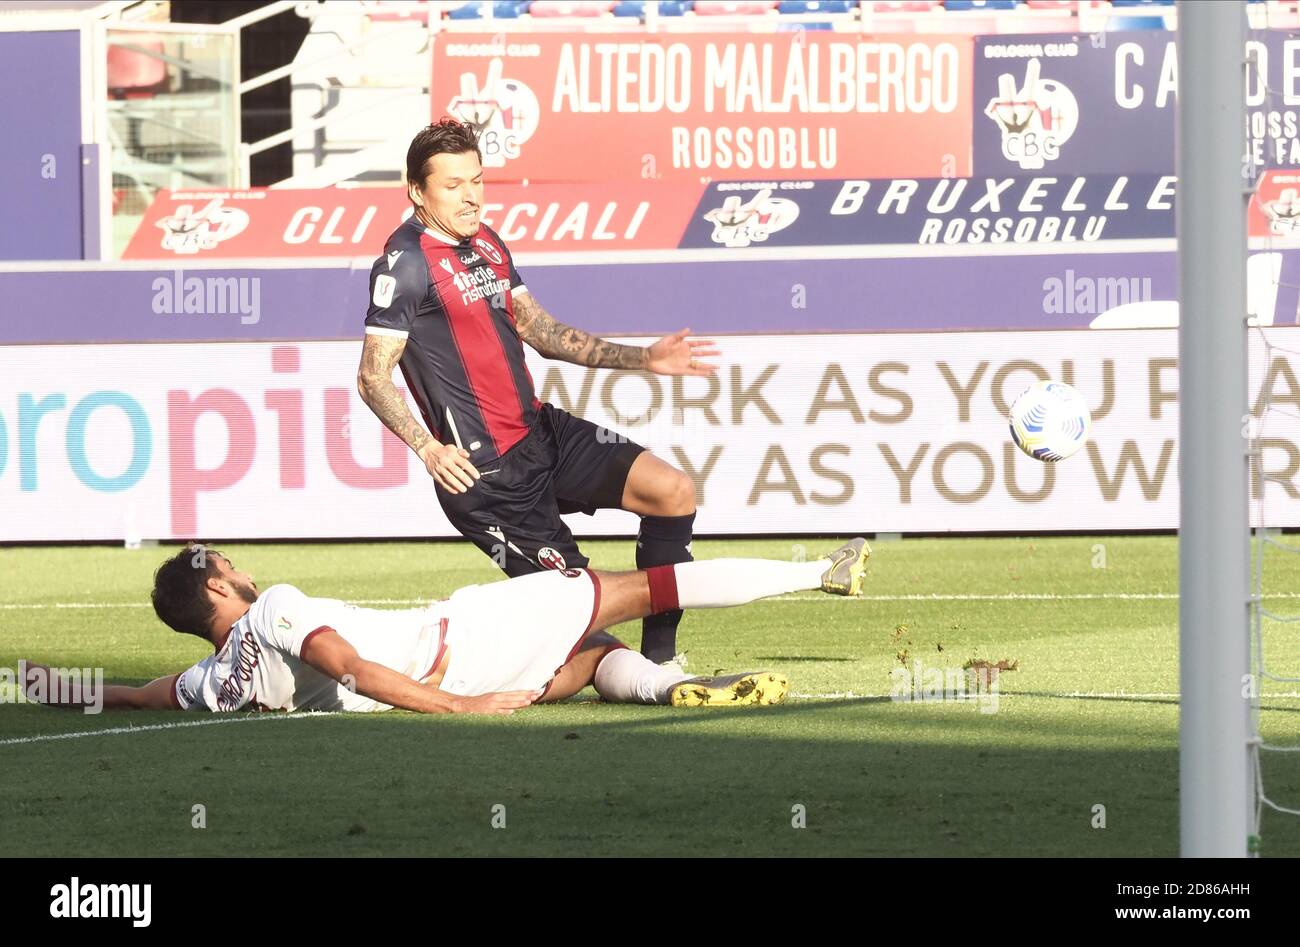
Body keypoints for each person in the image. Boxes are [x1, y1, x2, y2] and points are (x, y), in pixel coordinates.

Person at [356, 118, 719, 667]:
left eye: (477, 180)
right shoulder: (404, 264)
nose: (471, 195)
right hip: (488, 478)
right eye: (453, 186)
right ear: (417, 192)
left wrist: (645, 359)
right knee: (587, 611)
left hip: (541, 433)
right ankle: (613, 670)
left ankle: (663, 663)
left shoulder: (488, 243)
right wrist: (427, 448)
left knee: (671, 492)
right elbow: (372, 376)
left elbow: (543, 333)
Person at [23, 539, 869, 715]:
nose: (238, 562)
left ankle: (667, 686)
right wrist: (461, 709)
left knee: (580, 661)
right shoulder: (275, 605)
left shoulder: (213, 684)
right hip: (456, 648)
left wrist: (39, 683)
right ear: (217, 581)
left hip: (449, 681)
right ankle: (817, 572)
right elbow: (348, 664)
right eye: (224, 561)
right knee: (634, 590)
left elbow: (130, 695)